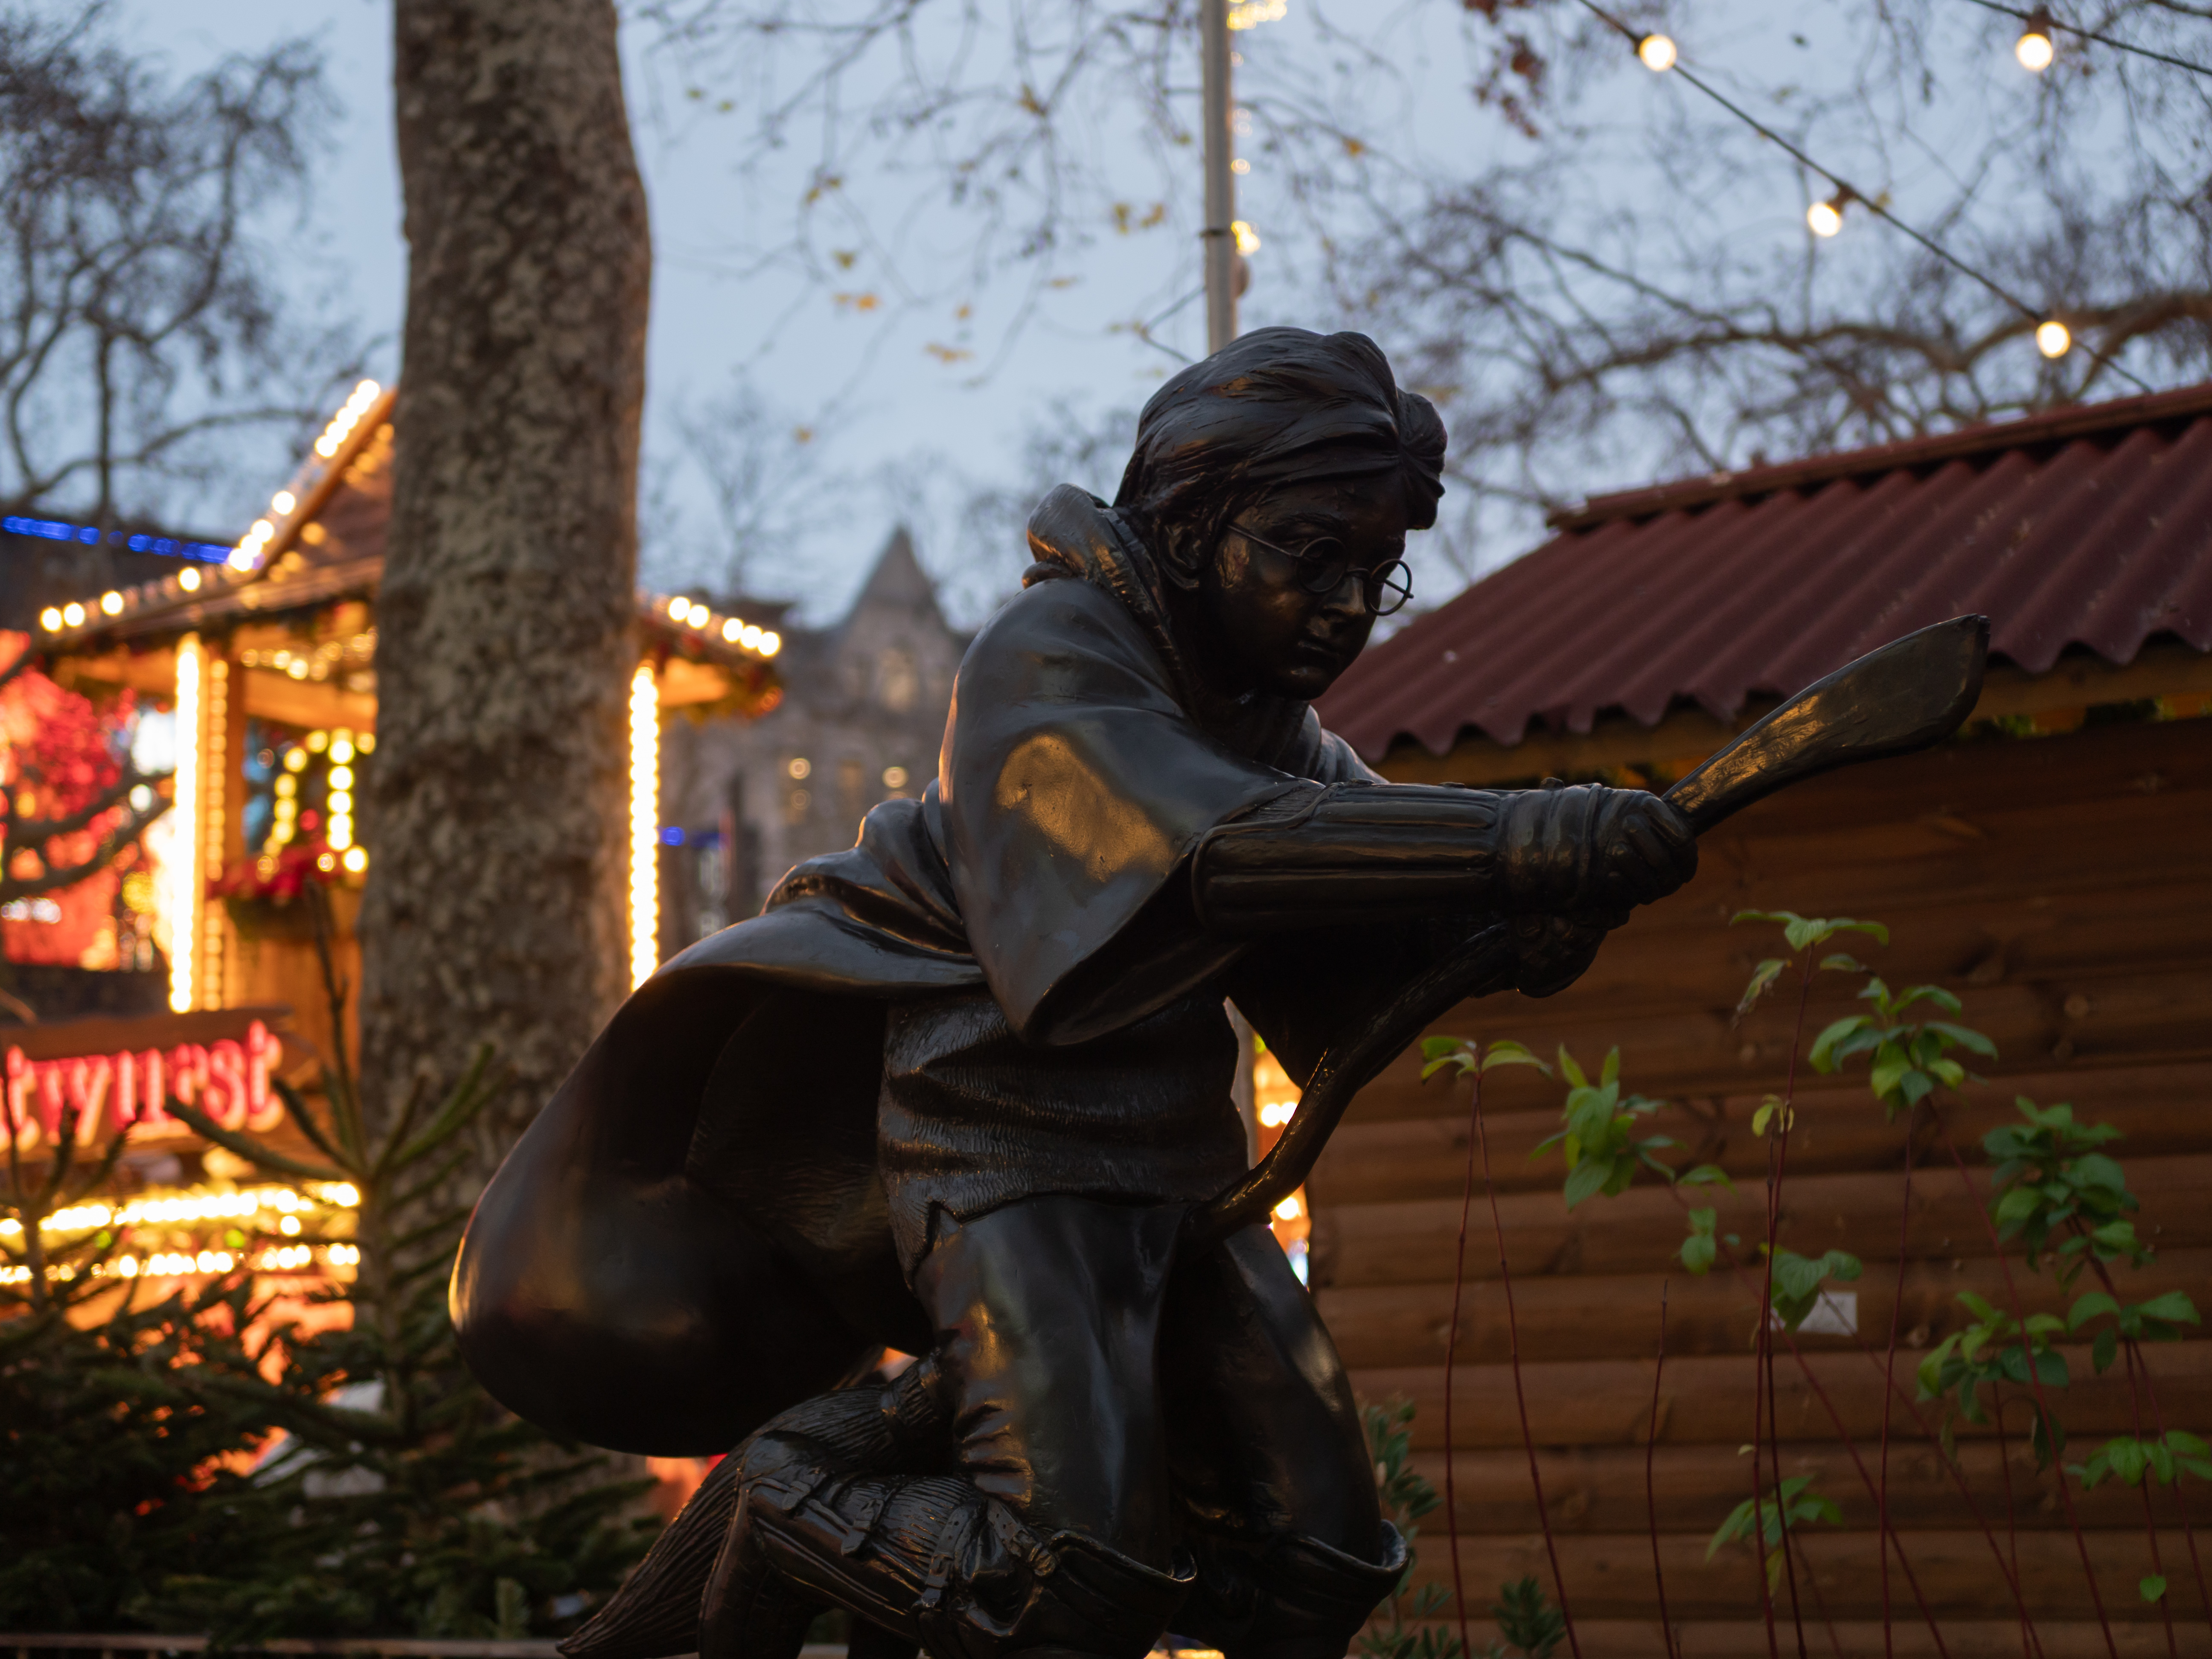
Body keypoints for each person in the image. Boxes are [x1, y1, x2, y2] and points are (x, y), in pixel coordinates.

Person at [452, 328, 1697, 1659]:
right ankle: (794, 1492)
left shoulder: (1276, 729)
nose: (1342, 604)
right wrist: (1518, 839)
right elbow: (1213, 846)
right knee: (1068, 1578)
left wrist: (1511, 926)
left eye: (1374, 573)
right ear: (1184, 521)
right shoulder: (1049, 657)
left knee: (1318, 1556)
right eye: (1307, 553)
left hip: (1167, 1159)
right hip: (999, 1145)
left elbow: (1362, 911)